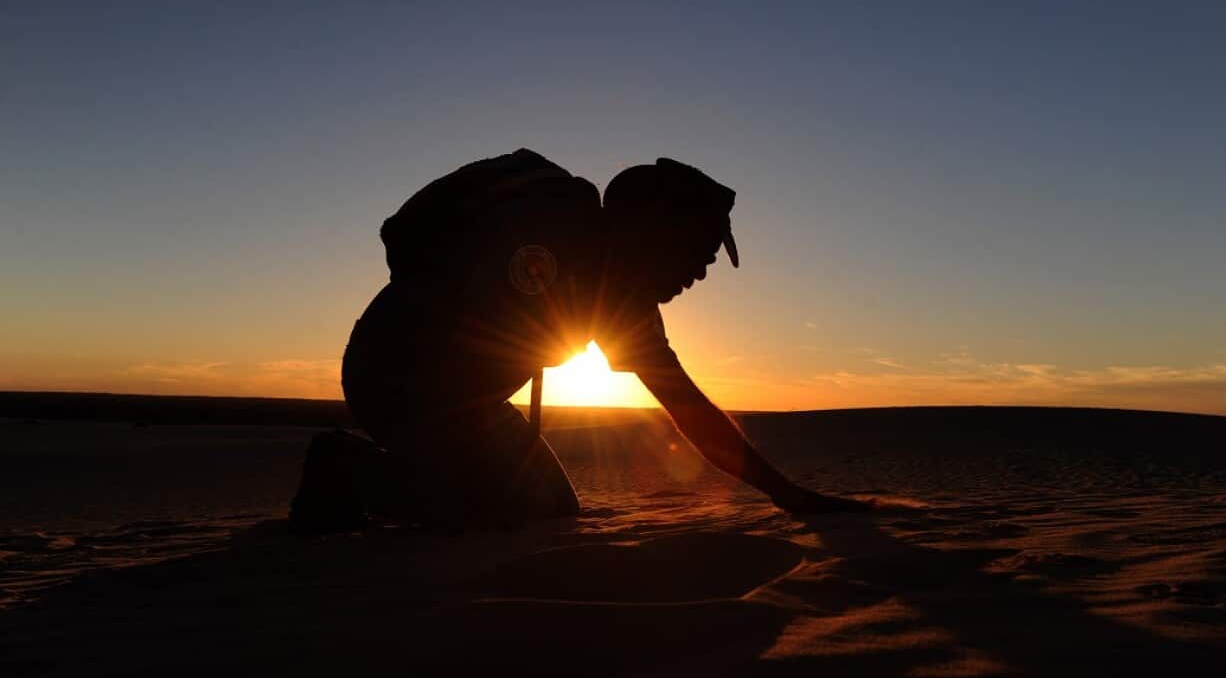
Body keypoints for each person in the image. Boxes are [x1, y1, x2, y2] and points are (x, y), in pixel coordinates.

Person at [290, 149, 859, 532]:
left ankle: (388, 486)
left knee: (551, 512)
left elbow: (690, 413)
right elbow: (461, 325)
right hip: (397, 376)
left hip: (467, 403)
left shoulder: (622, 300)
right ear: (659, 229)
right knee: (496, 511)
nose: (702, 272)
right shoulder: (551, 246)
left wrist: (788, 497)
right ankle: (348, 470)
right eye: (700, 250)